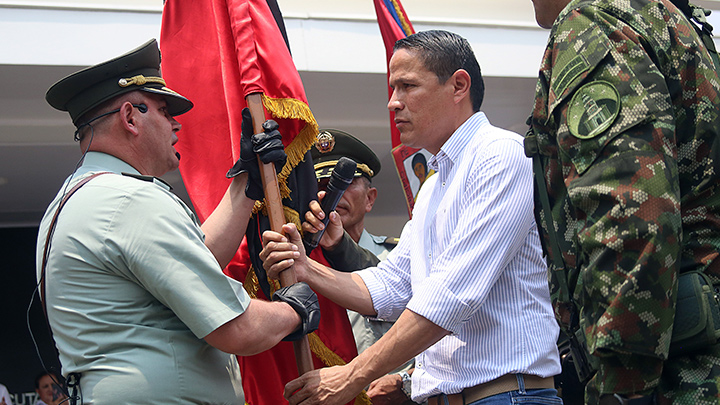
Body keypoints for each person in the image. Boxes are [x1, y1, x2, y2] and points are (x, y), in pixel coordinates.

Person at [260, 29, 562, 405]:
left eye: (407, 86)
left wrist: (352, 376)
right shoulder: (434, 188)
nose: (393, 102)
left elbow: (449, 298)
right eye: (393, 88)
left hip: (504, 396)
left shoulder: (500, 156)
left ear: (458, 85)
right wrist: (304, 266)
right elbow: (390, 287)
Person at [36, 39, 320, 404]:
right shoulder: (130, 200)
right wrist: (296, 307)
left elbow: (192, 261)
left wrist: (246, 183)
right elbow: (236, 327)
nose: (176, 124)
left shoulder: (78, 199)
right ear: (129, 117)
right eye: (164, 111)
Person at [526, 0, 720, 403]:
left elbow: (634, 217)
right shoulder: (674, 21)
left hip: (675, 377)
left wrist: (623, 388)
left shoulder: (593, 21)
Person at [308, 129, 415, 404]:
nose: (328, 192)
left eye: (342, 182)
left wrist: (407, 383)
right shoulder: (301, 265)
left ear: (370, 198)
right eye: (320, 183)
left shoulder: (401, 257)